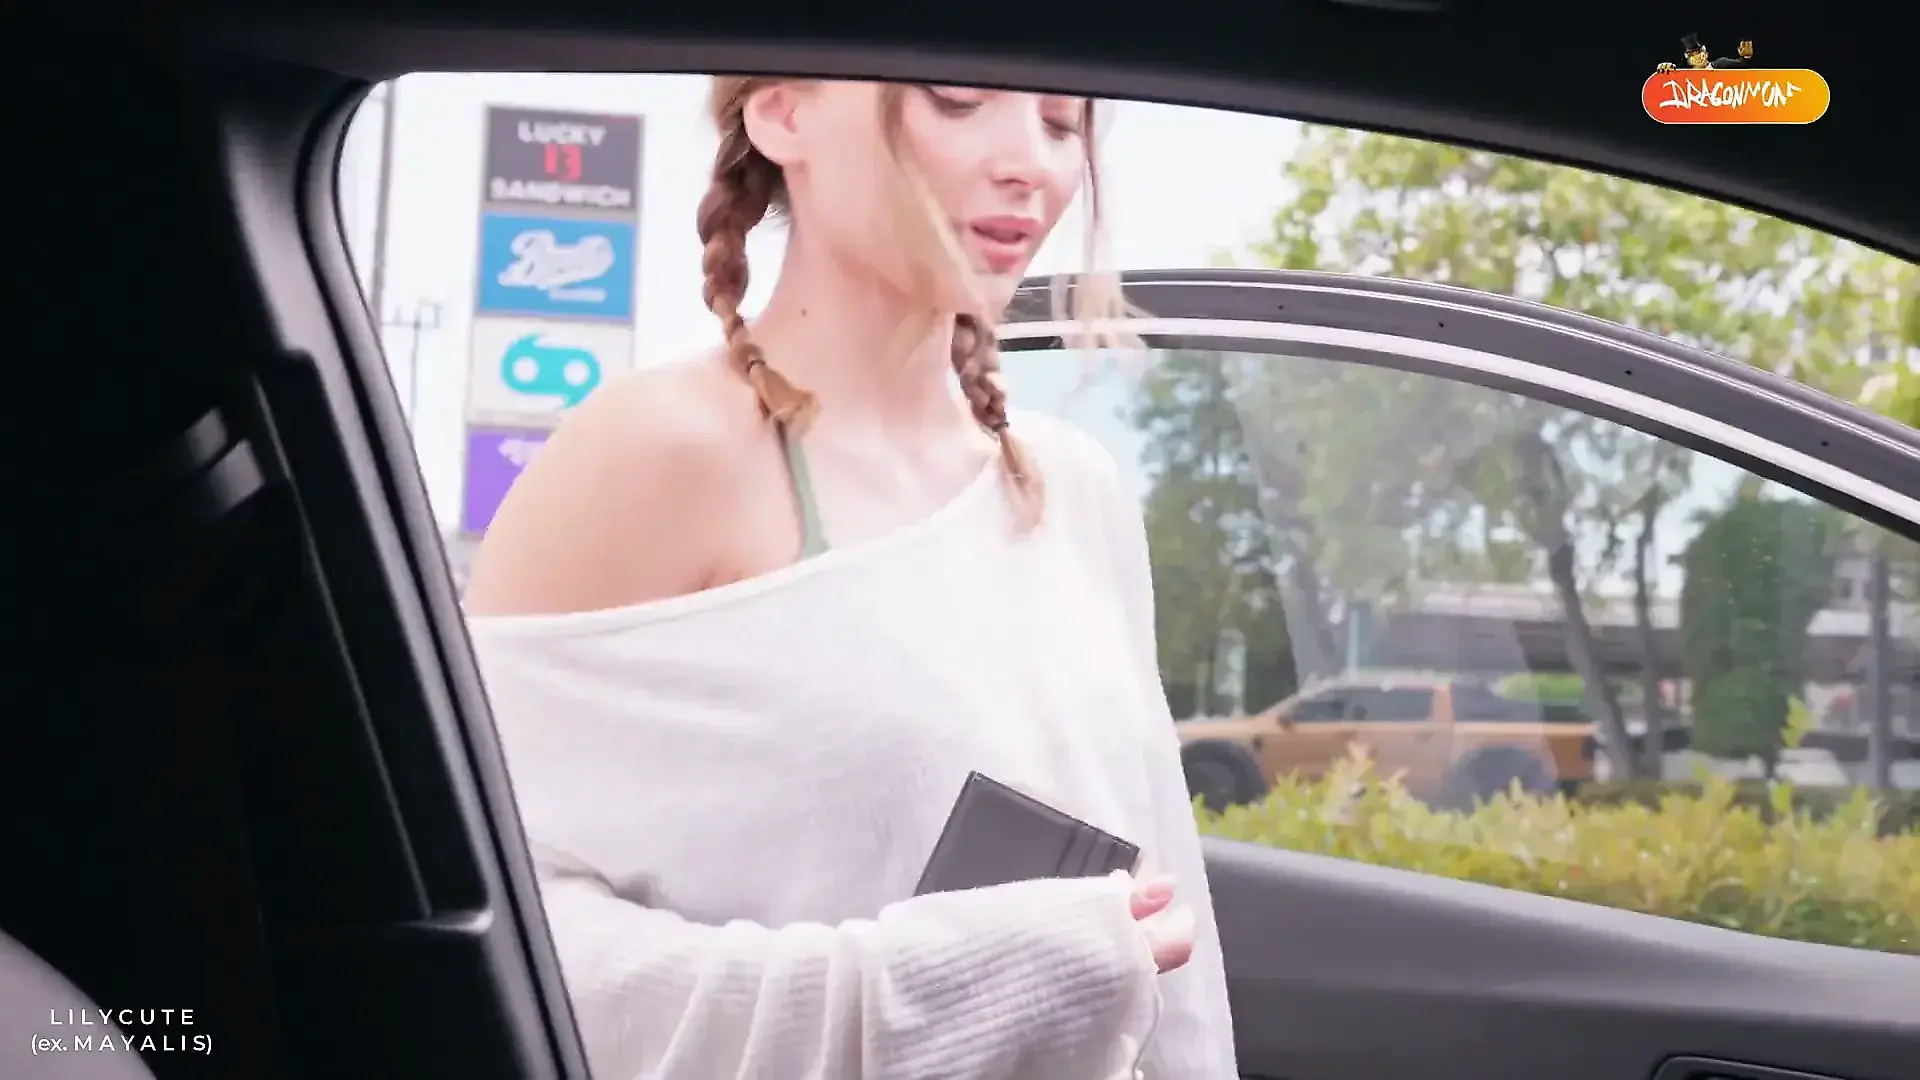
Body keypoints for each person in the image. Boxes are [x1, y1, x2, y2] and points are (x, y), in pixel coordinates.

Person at [462, 76, 1238, 1080]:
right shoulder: (661, 453)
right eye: (957, 99)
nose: (1034, 164)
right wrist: (947, 983)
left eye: (1062, 121)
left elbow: (1176, 964)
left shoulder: (1069, 489)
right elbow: (486, 924)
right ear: (781, 112)